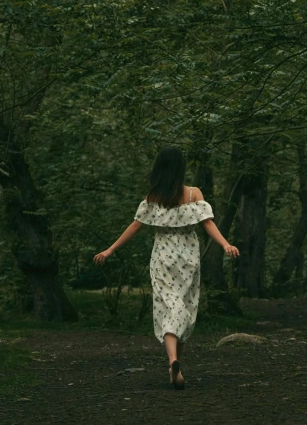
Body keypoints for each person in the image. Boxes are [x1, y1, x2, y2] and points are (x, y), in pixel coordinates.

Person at [93, 146, 239, 389]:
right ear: (181, 168)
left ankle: (173, 362)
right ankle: (176, 364)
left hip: (162, 258)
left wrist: (110, 250)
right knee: (184, 306)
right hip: (188, 259)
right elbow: (208, 224)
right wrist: (225, 244)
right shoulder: (193, 194)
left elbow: (135, 227)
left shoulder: (153, 198)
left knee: (168, 306)